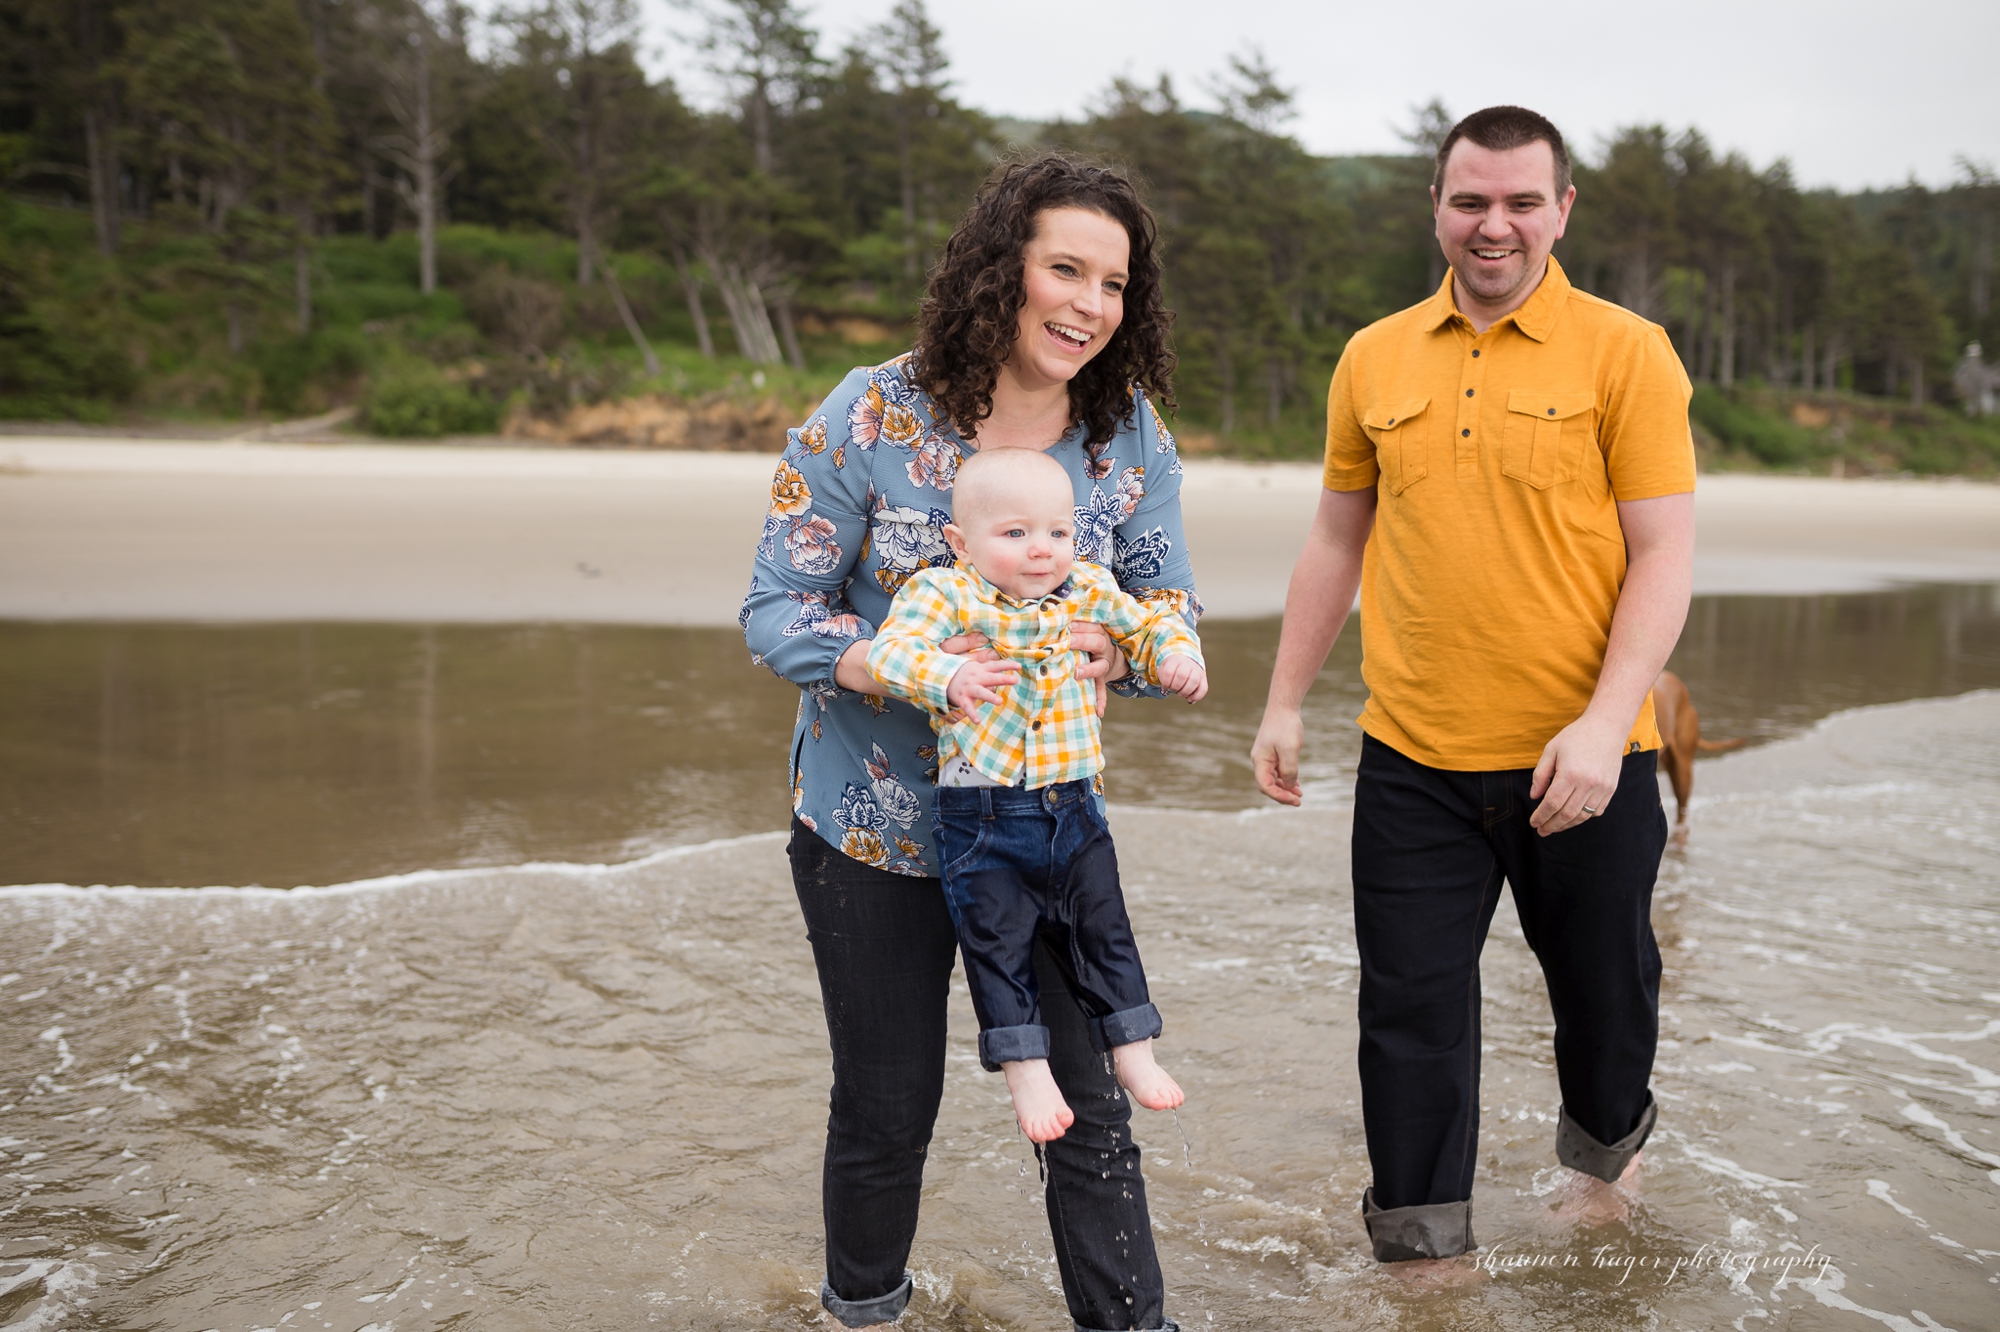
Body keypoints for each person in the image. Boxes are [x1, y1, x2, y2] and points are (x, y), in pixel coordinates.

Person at [741, 152, 1196, 1331]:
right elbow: (775, 611)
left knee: (1089, 1112)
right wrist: (914, 668)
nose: (1086, 303)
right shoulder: (869, 412)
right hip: (869, 830)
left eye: (1112, 282)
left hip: (1044, 829)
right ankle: (864, 1312)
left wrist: (1124, 656)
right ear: (1005, 269)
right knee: (889, 1107)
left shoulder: (1129, 442)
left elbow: (1163, 615)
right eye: (1063, 268)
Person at [1249, 105, 1696, 1265]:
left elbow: (1664, 554)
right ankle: (1422, 1256)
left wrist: (1605, 727)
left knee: (1605, 996)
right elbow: (1335, 538)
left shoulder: (1626, 350)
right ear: (1434, 207)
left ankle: (1603, 1176)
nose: (1490, 225)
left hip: (1582, 760)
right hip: (1412, 755)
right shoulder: (1372, 356)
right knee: (1406, 1016)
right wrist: (1285, 700)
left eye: (1517, 201)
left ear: (1560, 208)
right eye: (1467, 201)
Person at [865, 447, 1204, 1143]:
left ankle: (1134, 1048)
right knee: (998, 943)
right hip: (982, 812)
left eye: (1057, 532)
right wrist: (944, 678)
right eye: (1015, 533)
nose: (1042, 550)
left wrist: (1175, 655)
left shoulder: (1086, 586)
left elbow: (1150, 622)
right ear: (962, 542)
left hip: (1074, 803)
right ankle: (1025, 1067)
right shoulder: (944, 592)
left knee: (1104, 930)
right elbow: (889, 651)